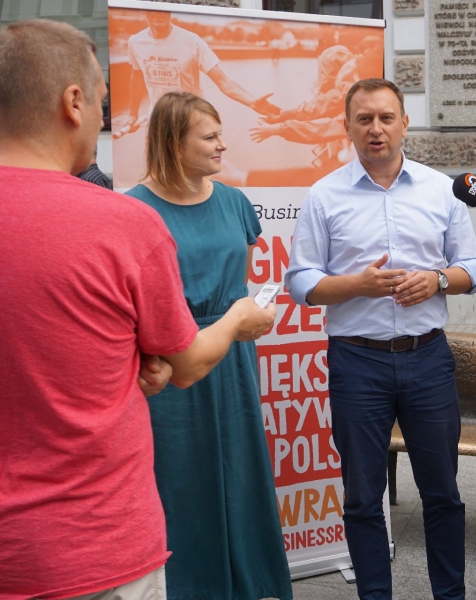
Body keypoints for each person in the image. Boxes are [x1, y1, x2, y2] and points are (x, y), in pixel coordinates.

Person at [0, 19, 275, 599]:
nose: (105, 118)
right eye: (103, 101)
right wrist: (227, 323)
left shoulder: (210, 205)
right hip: (99, 542)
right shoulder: (122, 220)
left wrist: (136, 359)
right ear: (73, 102)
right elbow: (186, 361)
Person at [285, 78, 476, 600]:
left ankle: (451, 595)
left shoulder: (441, 190)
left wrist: (438, 280)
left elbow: (474, 267)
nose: (376, 129)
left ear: (404, 123)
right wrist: (357, 285)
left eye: (386, 118)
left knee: (442, 493)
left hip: (428, 359)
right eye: (365, 119)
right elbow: (300, 282)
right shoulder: (324, 195)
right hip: (357, 362)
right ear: (347, 127)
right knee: (361, 497)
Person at [124, 91, 292, 600]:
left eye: (221, 134)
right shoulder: (134, 210)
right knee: (180, 480)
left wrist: (249, 318)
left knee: (239, 471)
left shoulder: (234, 202)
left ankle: (245, 585)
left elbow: (238, 287)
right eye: (210, 136)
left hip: (234, 359)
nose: (223, 145)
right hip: (171, 365)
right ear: (175, 143)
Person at [120, 10, 279, 136]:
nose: (158, 14)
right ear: (145, 12)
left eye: (163, 10)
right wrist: (133, 114)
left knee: (193, 165)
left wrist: (251, 101)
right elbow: (137, 76)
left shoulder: (192, 41)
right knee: (158, 166)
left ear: (170, 12)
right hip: (158, 119)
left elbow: (224, 82)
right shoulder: (136, 42)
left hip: (192, 119)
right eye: (153, 9)